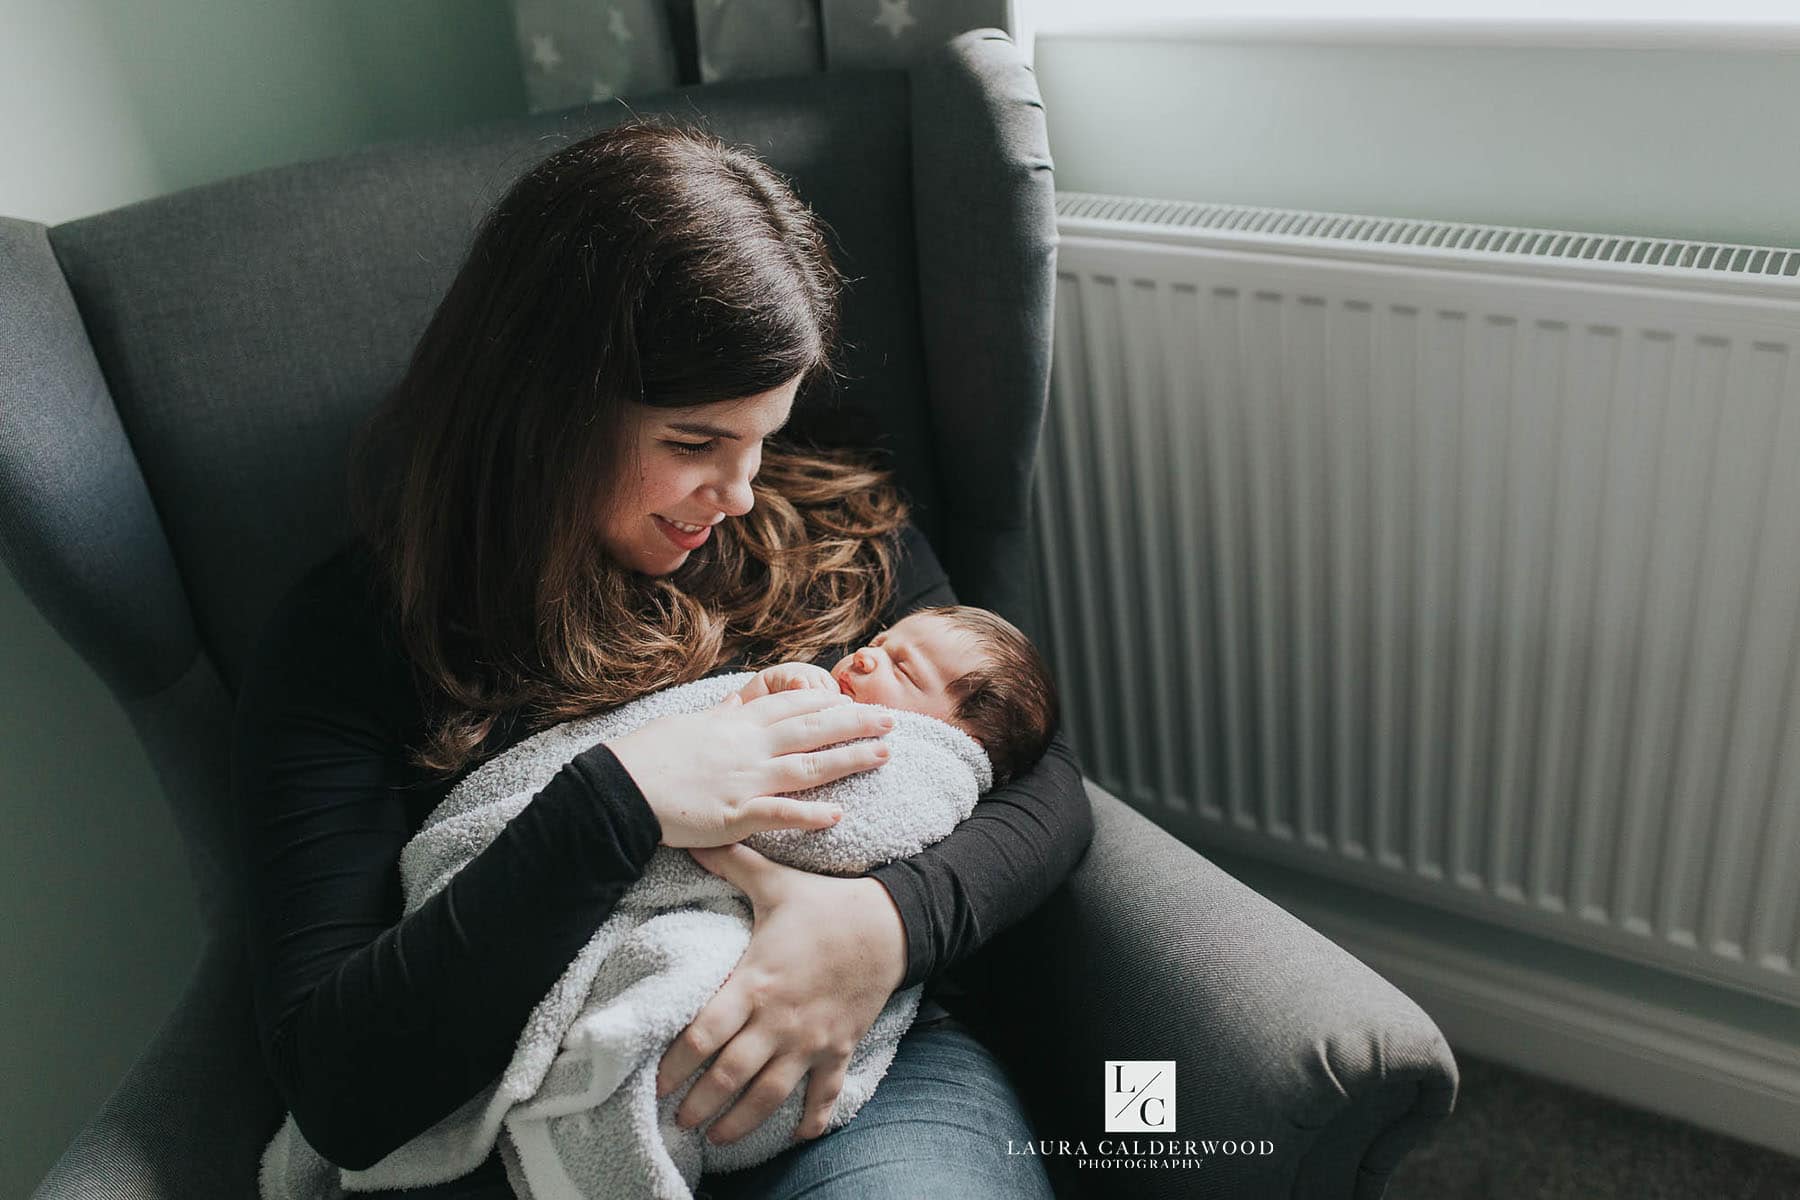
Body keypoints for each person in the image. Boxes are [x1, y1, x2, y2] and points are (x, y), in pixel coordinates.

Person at [233, 117, 1092, 1200]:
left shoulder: (832, 528)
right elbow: (344, 1087)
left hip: (855, 1085)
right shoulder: (355, 638)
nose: (737, 495)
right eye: (693, 444)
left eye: (763, 438)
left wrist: (881, 927)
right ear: (540, 408)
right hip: (531, 1129)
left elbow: (1041, 780)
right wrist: (625, 801)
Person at [749, 604, 1059, 791]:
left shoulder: (917, 782)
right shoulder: (812, 695)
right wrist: (763, 690)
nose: (863, 655)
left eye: (901, 668)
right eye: (878, 642)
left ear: (959, 739)